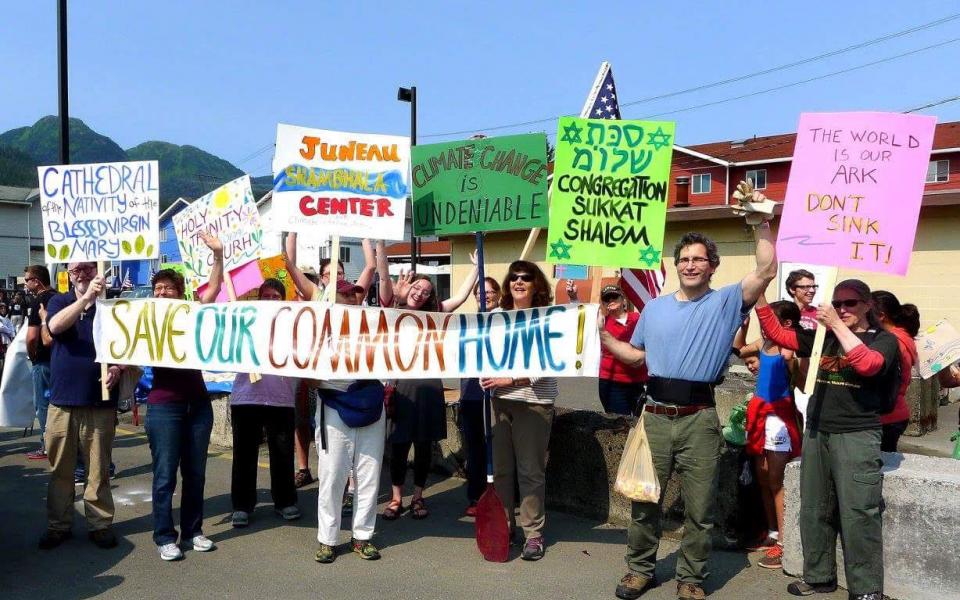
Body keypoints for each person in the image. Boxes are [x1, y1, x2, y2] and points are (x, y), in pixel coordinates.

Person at [601, 220, 777, 600]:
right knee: (644, 500)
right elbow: (635, 357)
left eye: (699, 259)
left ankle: (691, 578)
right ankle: (639, 570)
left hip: (699, 419)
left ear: (712, 266)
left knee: (700, 508)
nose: (690, 265)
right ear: (676, 265)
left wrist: (760, 224)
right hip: (654, 418)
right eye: (684, 259)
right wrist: (601, 337)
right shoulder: (654, 309)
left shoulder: (726, 302)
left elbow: (766, 269)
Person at [756, 280, 899, 600]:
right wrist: (760, 287)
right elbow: (777, 334)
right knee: (814, 510)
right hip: (818, 431)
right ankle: (819, 576)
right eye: (838, 303)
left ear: (867, 306)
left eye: (850, 303)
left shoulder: (883, 340)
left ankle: (866, 587)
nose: (843, 309)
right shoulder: (823, 337)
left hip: (857, 434)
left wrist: (835, 322)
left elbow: (868, 364)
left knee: (859, 512)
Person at [376, 240, 477, 521]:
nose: (420, 294)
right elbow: (383, 277)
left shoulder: (435, 315)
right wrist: (380, 246)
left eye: (426, 291)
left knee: (423, 448)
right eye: (416, 288)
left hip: (430, 389)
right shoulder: (392, 311)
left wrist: (475, 269)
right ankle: (396, 498)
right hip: (400, 389)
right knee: (397, 447)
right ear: (407, 289)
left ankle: (418, 497)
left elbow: (460, 296)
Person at [146, 231, 224, 561]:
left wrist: (218, 256)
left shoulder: (192, 313)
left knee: (195, 472)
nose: (162, 293)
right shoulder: (144, 318)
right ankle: (165, 535)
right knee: (165, 474)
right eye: (157, 289)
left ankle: (193, 531)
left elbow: (213, 291)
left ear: (180, 293)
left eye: (169, 288)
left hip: (197, 403)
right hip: (164, 404)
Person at [479, 260, 561, 562]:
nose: (519, 282)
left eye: (526, 277)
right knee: (501, 471)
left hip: (533, 402)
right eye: (514, 277)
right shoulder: (495, 317)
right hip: (500, 402)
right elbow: (481, 352)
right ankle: (504, 526)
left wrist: (511, 378)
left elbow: (551, 360)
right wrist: (483, 374)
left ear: (536, 284)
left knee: (530, 471)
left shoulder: (547, 318)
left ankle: (533, 533)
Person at [39, 262, 125, 550]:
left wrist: (119, 366)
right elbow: (54, 327)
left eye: (88, 268)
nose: (82, 274)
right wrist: (86, 299)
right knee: (60, 469)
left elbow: (128, 344)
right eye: (76, 270)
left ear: (98, 269)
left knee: (98, 469)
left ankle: (100, 524)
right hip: (62, 402)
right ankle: (58, 525)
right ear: (68, 273)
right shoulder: (59, 301)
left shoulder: (114, 305)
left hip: (99, 402)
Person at [313, 279, 387, 564]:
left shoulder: (375, 326)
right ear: (332, 298)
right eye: (344, 294)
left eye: (355, 295)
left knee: (369, 476)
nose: (351, 299)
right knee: (332, 476)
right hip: (334, 403)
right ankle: (328, 539)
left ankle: (362, 536)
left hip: (370, 404)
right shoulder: (318, 327)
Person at [733, 300, 803, 571]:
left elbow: (801, 377)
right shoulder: (763, 342)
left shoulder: (791, 347)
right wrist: (744, 328)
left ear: (785, 323)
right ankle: (772, 532)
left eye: (769, 319)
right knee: (762, 478)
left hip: (778, 419)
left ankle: (785, 543)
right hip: (759, 417)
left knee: (776, 480)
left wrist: (793, 361)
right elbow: (739, 350)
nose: (764, 322)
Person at [230, 278, 301, 528]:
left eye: (276, 297)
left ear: (283, 301)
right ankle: (241, 506)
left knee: (282, 453)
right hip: (246, 397)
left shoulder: (292, 325)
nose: (270, 301)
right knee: (244, 454)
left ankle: (284, 501)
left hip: (280, 399)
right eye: (266, 296)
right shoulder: (244, 322)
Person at [458, 276, 502, 517]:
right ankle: (476, 496)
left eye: (489, 291)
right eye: (479, 292)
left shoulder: (507, 319)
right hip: (472, 394)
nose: (484, 296)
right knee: (475, 449)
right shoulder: (468, 323)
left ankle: (502, 495)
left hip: (498, 394)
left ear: (498, 293)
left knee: (498, 448)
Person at [871, 290, 919, 452]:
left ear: (881, 315)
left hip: (885, 414)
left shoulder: (891, 341)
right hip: (895, 411)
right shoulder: (903, 337)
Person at [597, 284, 646, 416]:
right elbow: (580, 320)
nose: (611, 300)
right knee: (619, 426)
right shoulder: (601, 323)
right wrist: (573, 297)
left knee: (641, 425)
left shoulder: (637, 318)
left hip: (640, 382)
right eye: (607, 298)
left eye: (614, 296)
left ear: (623, 299)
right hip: (612, 383)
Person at [24, 265, 55, 460]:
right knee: (60, 404)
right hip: (60, 359)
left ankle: (47, 445)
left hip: (43, 360)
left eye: (27, 280)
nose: (26, 284)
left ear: (37, 281)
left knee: (42, 405)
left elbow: (31, 337)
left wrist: (32, 354)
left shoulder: (40, 301)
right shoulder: (60, 298)